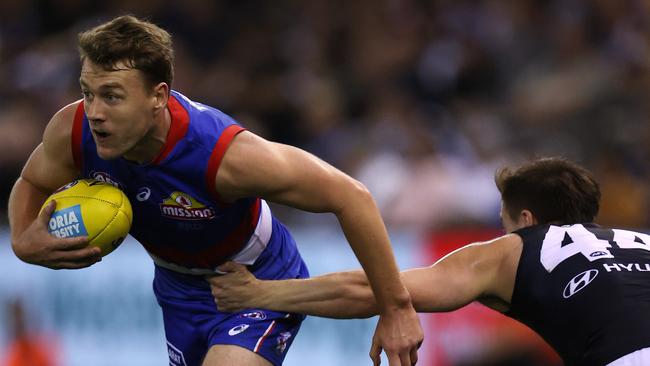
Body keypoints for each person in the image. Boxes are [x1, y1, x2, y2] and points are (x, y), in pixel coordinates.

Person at [7, 15, 422, 366]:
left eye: (112, 97)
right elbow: (31, 182)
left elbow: (352, 196)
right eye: (87, 93)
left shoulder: (224, 156)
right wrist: (24, 240)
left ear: (159, 97)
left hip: (257, 278)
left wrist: (396, 309)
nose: (94, 112)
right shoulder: (73, 129)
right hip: (178, 289)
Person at [209, 157, 650, 366]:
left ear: (527, 220)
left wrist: (261, 292)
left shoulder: (516, 248)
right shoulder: (642, 241)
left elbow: (376, 288)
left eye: (505, 222)